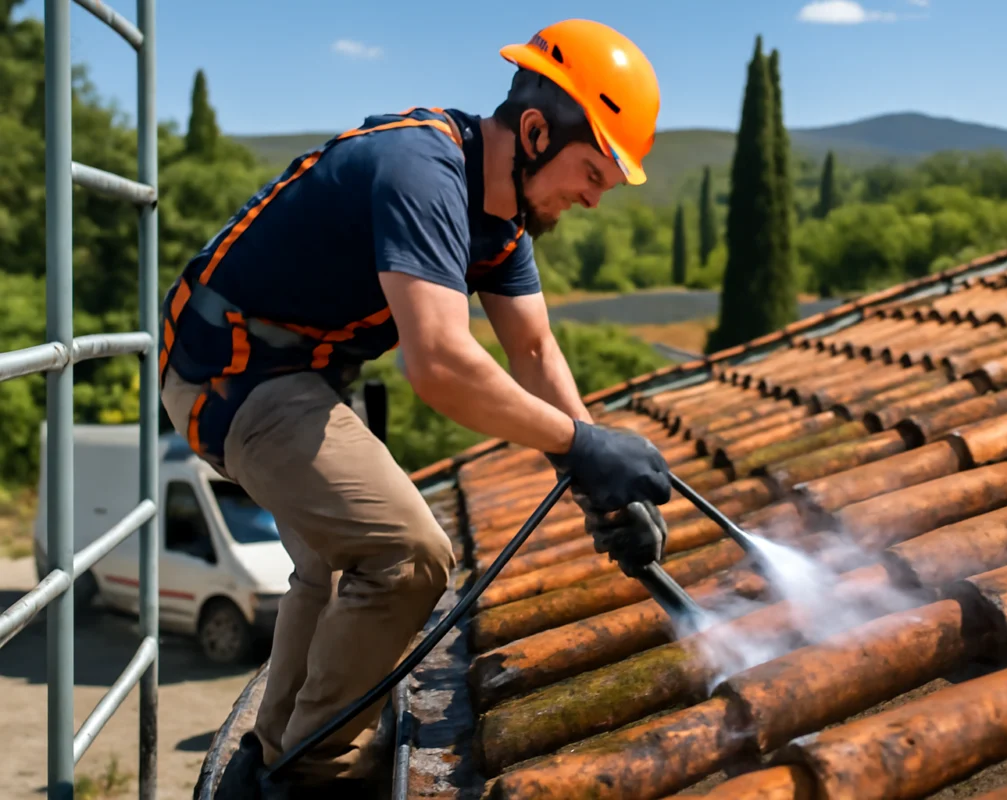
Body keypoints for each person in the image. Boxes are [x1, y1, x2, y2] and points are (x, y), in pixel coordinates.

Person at [159, 17, 672, 796]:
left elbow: (532, 351)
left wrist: (599, 483)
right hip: (232, 375)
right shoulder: (421, 170)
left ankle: (272, 758)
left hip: (296, 373)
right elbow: (439, 364)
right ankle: (312, 776)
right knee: (408, 557)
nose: (593, 200)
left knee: (333, 569)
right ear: (536, 131)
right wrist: (578, 446)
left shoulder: (498, 223)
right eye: (592, 174)